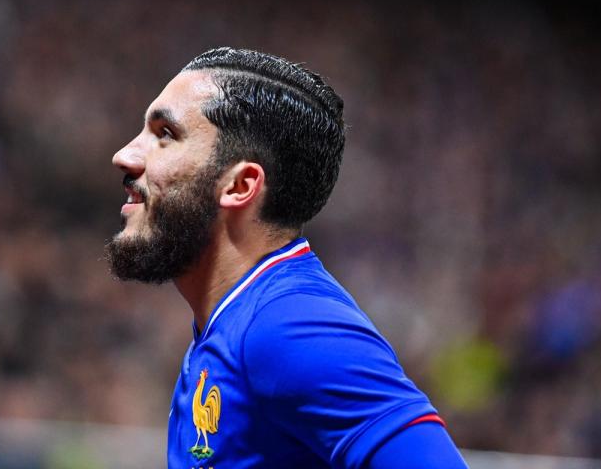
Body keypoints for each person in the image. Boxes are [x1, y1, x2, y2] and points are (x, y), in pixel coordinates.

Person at [106, 47, 468, 469]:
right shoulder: (233, 321)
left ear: (239, 185)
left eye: (165, 134)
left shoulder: (290, 326)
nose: (124, 155)